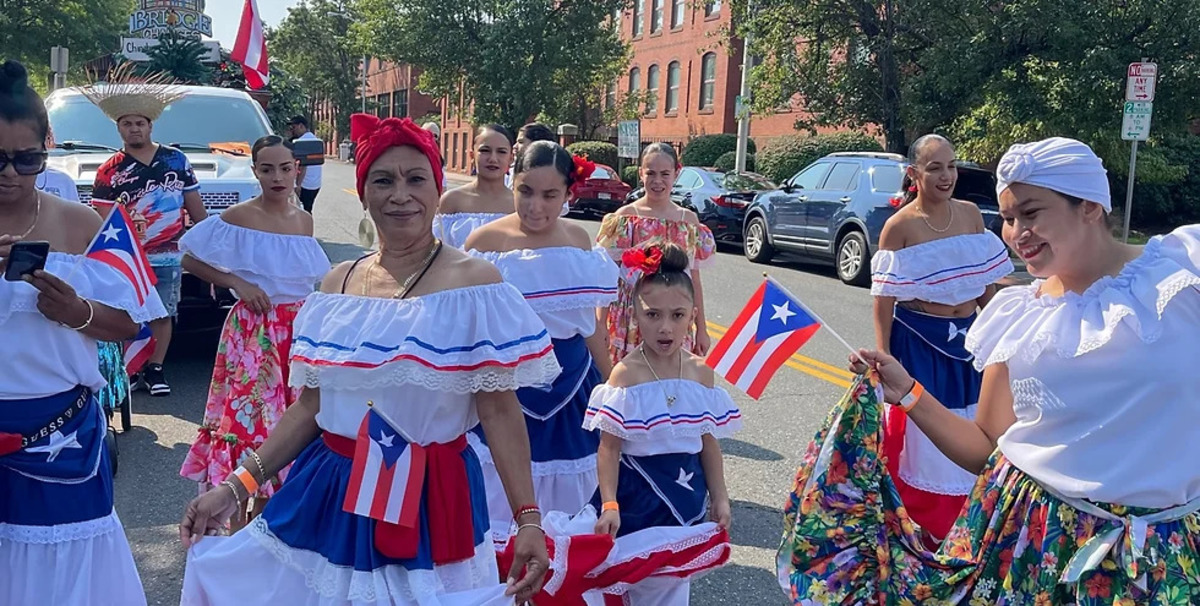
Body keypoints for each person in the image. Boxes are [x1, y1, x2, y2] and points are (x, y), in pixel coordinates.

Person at [779, 137, 1200, 604]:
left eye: (1032, 212)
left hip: (1169, 546)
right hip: (1033, 544)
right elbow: (986, 447)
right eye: (1008, 218)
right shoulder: (1019, 315)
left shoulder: (1182, 273)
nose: (1017, 232)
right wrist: (907, 391)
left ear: (1090, 207)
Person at [179, 115, 554, 605]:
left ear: (438, 189)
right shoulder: (336, 285)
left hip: (430, 502)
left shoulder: (475, 284)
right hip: (330, 493)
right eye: (383, 180)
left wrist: (528, 519)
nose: (400, 194)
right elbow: (309, 409)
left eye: (416, 178)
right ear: (362, 193)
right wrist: (233, 488)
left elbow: (500, 412)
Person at [0, 58, 163, 606]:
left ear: (46, 150)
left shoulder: (87, 223)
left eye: (27, 160)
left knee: (65, 575)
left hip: (60, 434)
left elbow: (133, 324)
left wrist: (75, 312)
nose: (11, 174)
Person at [463, 141, 619, 540]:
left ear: (568, 194)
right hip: (507, 387)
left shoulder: (579, 242)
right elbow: (467, 328)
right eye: (526, 192)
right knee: (499, 495)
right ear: (513, 183)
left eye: (550, 195)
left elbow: (590, 327)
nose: (535, 206)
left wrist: (617, 387)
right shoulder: (483, 244)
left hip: (571, 386)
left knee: (573, 501)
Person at [177, 135, 331, 530]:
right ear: (255, 172)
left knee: (290, 425)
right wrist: (237, 284)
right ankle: (235, 528)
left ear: (297, 170)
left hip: (297, 332)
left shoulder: (304, 220)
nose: (277, 177)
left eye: (284, 168)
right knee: (252, 425)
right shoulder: (240, 216)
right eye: (267, 169)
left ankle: (266, 533)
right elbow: (191, 259)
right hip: (254, 333)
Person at [869, 134, 1013, 543]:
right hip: (921, 341)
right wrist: (885, 354)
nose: (946, 175)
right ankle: (924, 526)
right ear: (914, 174)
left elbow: (985, 285)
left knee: (976, 425)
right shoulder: (899, 227)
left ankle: (969, 522)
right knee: (925, 436)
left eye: (950, 166)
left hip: (970, 341)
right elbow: (884, 301)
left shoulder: (970, 216)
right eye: (935, 168)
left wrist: (1002, 332)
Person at [585, 242, 741, 604]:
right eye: (653, 315)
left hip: (685, 498)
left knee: (673, 586)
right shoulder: (626, 375)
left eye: (677, 315)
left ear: (693, 316)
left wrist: (720, 496)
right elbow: (609, 448)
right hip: (638, 499)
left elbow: (707, 442)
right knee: (632, 585)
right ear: (636, 316)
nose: (665, 327)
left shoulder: (701, 373)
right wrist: (609, 504)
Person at [83, 70, 207, 398]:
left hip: (168, 253)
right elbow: (102, 217)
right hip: (127, 258)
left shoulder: (176, 160)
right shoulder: (109, 171)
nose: (134, 128)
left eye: (140, 123)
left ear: (151, 125)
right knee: (126, 313)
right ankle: (130, 370)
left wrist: (205, 243)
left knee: (163, 312)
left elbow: (196, 208)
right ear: (118, 127)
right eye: (127, 123)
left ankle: (155, 368)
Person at [597, 142, 715, 366]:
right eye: (650, 173)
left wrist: (702, 329)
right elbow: (608, 276)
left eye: (665, 174)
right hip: (632, 316)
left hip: (674, 318)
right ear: (641, 173)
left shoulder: (687, 221)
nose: (657, 181)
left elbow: (694, 281)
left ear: (676, 174)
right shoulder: (625, 217)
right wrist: (601, 323)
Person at [433, 124, 515, 249]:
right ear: (472, 155)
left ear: (511, 158)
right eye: (485, 151)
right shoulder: (452, 200)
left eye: (501, 152)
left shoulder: (519, 204)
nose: (493, 159)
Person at [286, 115, 323, 213]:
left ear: (301, 126)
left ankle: (305, 227)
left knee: (301, 211)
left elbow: (303, 166)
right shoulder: (314, 139)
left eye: (294, 127)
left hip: (305, 184)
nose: (293, 130)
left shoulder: (302, 142)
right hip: (316, 183)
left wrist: (298, 185)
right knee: (308, 209)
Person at [421, 121, 449, 191]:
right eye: (427, 133)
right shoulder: (413, 153)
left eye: (435, 135)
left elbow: (443, 187)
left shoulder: (438, 159)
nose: (431, 137)